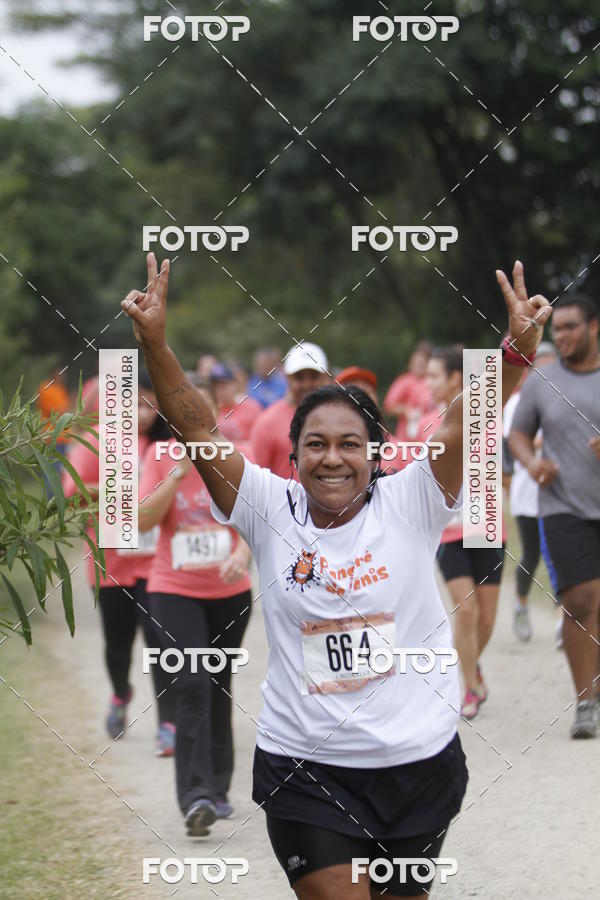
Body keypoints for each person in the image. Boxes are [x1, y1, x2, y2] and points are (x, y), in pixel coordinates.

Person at [121, 253, 550, 896]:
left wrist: (514, 352)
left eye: (350, 443)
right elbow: (194, 423)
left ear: (375, 454)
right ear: (292, 455)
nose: (332, 458)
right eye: (315, 444)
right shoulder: (267, 505)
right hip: (305, 767)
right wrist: (154, 341)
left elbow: (465, 422)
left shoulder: (414, 500)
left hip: (418, 762)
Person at [138, 373, 252, 833]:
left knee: (218, 683)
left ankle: (219, 788)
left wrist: (243, 552)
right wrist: (181, 470)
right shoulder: (158, 454)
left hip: (229, 593)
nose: (193, 417)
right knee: (190, 683)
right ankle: (196, 797)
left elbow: (256, 517)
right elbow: (143, 515)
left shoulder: (233, 455)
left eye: (199, 410)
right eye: (184, 409)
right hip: (173, 590)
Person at [63, 372, 176, 755]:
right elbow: (72, 494)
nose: (144, 413)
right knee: (118, 644)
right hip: (110, 563)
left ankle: (169, 723)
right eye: (136, 404)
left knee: (161, 642)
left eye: (150, 404)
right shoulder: (97, 442)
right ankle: (120, 694)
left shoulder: (167, 445)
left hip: (159, 562)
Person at [509, 294, 600, 739]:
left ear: (594, 327)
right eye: (557, 328)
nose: (561, 335)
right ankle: (586, 703)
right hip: (562, 504)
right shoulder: (541, 381)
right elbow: (518, 433)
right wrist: (530, 463)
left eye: (570, 327)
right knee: (581, 600)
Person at [421, 348, 506, 720]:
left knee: (486, 618)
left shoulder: (487, 413)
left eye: (434, 376)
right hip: (447, 530)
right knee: (466, 611)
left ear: (456, 378)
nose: (427, 384)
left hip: (486, 523)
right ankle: (468, 685)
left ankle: (472, 666)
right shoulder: (424, 422)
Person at [502, 343, 556, 641]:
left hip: (563, 492)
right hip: (527, 493)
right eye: (540, 369)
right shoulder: (516, 404)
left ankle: (565, 618)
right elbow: (514, 441)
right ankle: (521, 603)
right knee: (532, 554)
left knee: (564, 555)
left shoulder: (567, 400)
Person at [250, 342, 330, 477]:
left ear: (325, 377)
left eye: (313, 376)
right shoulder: (268, 422)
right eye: (299, 378)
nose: (307, 384)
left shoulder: (340, 417)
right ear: (287, 378)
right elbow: (257, 479)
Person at [384, 341, 435, 442]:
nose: (418, 366)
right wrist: (408, 411)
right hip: (408, 438)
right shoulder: (405, 381)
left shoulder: (432, 380)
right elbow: (389, 405)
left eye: (421, 363)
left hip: (430, 435)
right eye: (416, 362)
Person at [211, 362, 262, 455]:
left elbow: (260, 441)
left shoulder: (251, 408)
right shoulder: (209, 411)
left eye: (224, 385)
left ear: (235, 384)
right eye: (216, 386)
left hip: (247, 460)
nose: (220, 390)